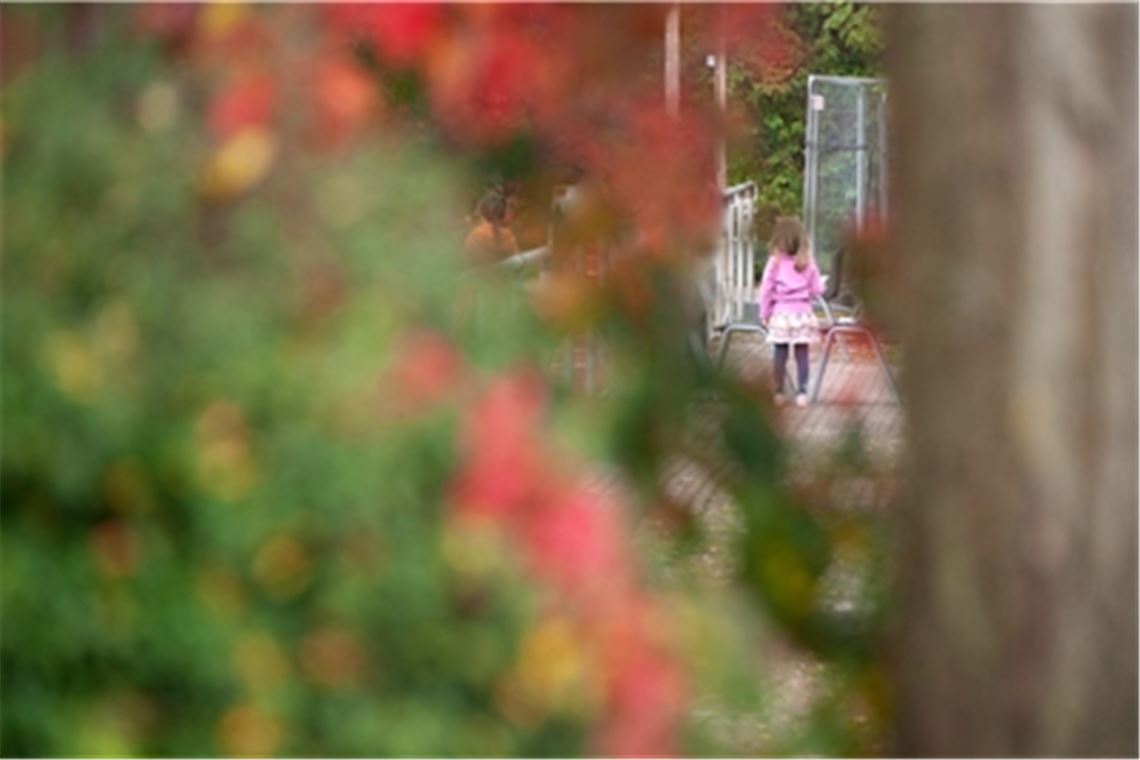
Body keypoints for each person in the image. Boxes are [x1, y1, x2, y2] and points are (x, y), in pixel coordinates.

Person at [757, 216, 823, 407]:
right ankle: (802, 392)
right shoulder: (808, 263)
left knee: (780, 353)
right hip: (802, 315)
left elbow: (765, 291)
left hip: (781, 316)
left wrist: (765, 313)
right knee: (802, 354)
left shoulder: (774, 263)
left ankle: (779, 392)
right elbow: (816, 289)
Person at [463, 190, 518, 265]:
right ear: (504, 214)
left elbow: (468, 262)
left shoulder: (474, 237)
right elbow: (514, 262)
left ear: (481, 212)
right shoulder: (508, 237)